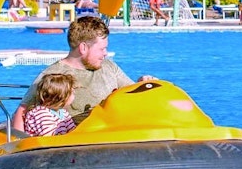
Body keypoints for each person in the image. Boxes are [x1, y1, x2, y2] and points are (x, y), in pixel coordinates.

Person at [10, 15, 154, 131]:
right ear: (83, 48)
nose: (105, 53)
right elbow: (22, 112)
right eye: (102, 49)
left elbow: (132, 93)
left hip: (112, 134)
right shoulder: (53, 76)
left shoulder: (109, 67)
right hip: (78, 143)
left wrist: (142, 82)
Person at [21, 71, 79, 136]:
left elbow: (73, 131)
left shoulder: (63, 113)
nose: (74, 95)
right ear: (60, 97)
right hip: (41, 145)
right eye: (71, 93)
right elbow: (50, 138)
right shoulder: (41, 113)